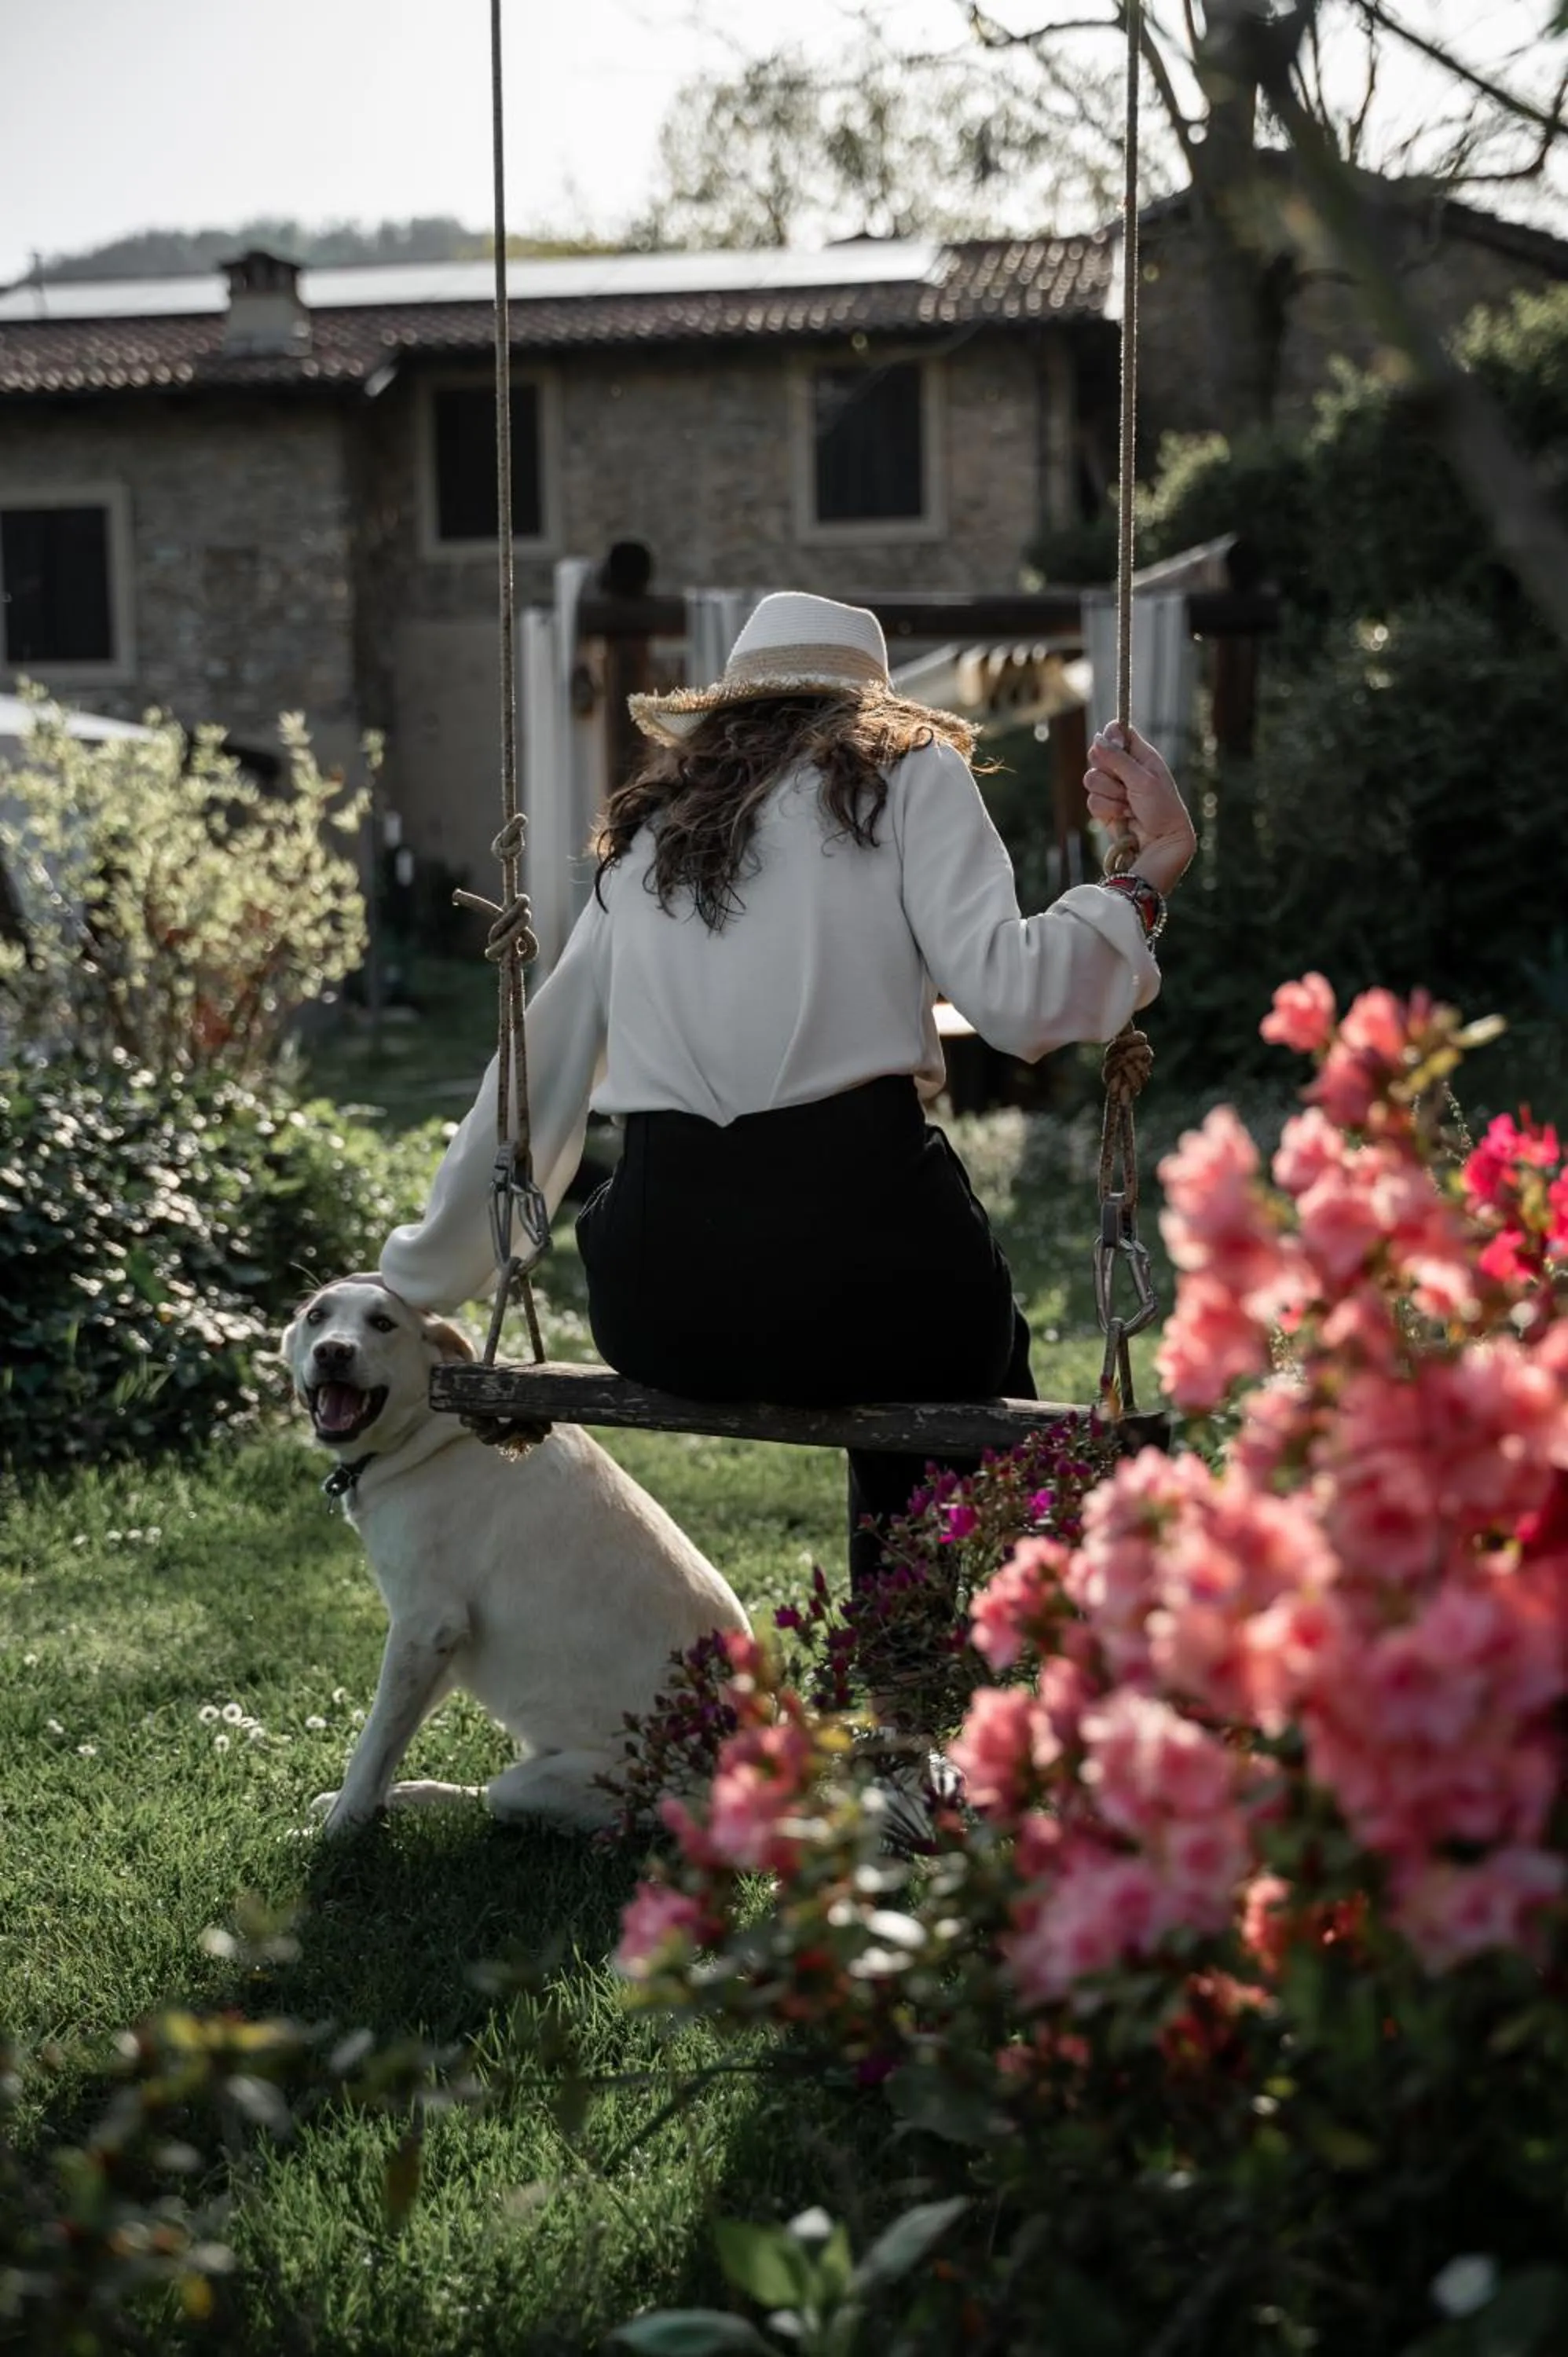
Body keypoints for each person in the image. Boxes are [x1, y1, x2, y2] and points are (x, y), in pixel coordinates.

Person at [380, 592, 1196, 1588]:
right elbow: (1018, 1002)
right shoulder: (911, 775)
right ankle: (968, 1636)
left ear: (728, 715)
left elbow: (534, 1072)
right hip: (866, 1284)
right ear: (872, 709)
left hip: (662, 1306)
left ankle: (915, 1646)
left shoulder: (651, 837)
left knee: (924, 1330)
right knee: (961, 1348)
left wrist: (426, 1270)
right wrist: (1151, 868)